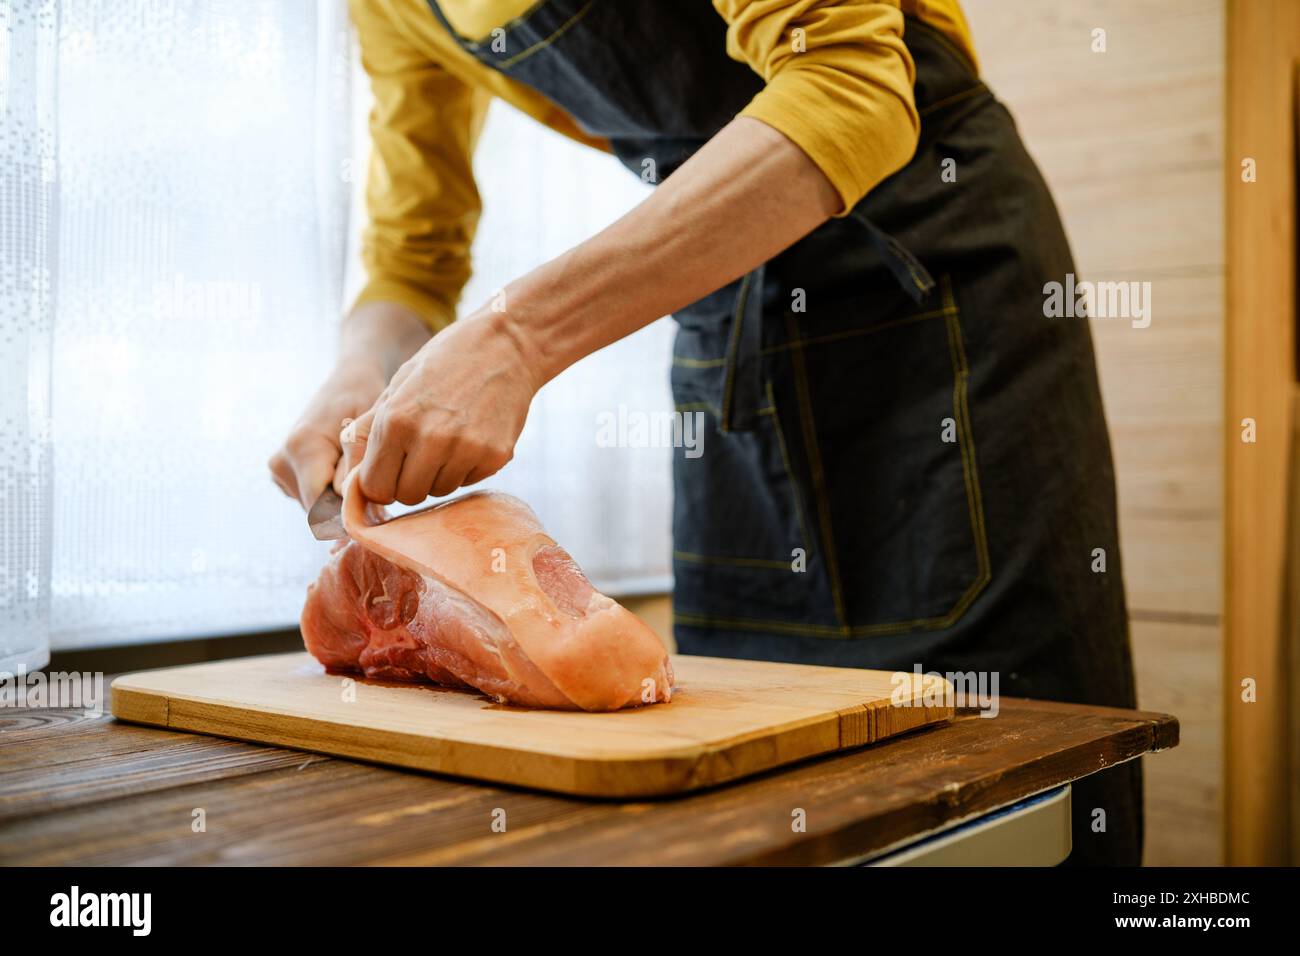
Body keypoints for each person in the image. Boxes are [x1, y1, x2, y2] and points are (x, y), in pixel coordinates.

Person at [270, 0, 1142, 865]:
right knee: (749, 770)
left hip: (931, 272)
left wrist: (520, 335)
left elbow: (852, 82)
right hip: (729, 319)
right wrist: (364, 368)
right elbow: (411, 256)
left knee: (997, 761)